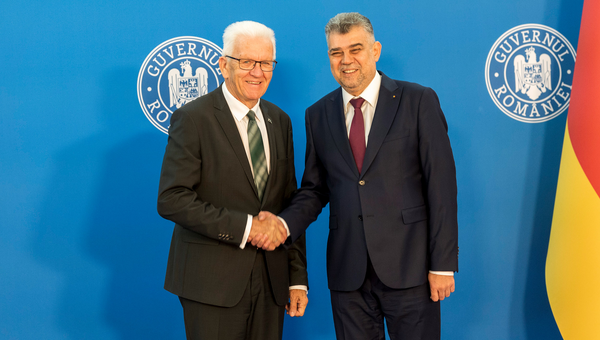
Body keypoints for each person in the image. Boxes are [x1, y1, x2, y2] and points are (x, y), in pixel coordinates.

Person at [258, 12, 458, 340]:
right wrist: (282, 225)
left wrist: (442, 263)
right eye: (337, 53)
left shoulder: (418, 100)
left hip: (411, 269)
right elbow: (313, 190)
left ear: (375, 50)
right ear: (329, 57)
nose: (346, 60)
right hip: (348, 274)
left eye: (356, 49)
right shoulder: (318, 114)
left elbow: (442, 186)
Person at [157, 20, 308, 340]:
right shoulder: (193, 118)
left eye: (266, 63)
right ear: (224, 65)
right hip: (211, 284)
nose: (258, 72)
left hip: (271, 282)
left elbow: (289, 202)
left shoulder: (279, 120)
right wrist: (247, 227)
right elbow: (172, 198)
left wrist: (297, 278)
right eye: (247, 62)